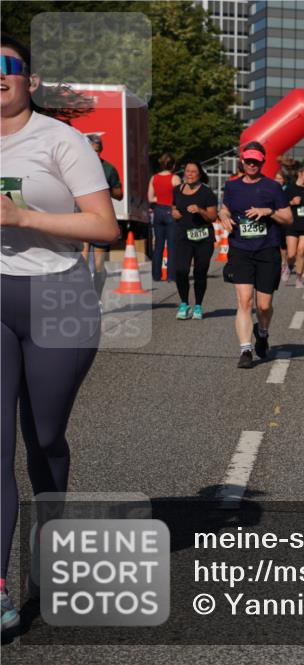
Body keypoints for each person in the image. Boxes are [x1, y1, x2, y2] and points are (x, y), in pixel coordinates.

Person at [1, 34, 120, 635]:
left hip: (58, 294)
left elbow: (106, 228)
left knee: (43, 437)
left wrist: (22, 215)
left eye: (8, 65)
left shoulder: (60, 140)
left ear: (30, 79)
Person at [217, 142, 292, 368]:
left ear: (262, 162)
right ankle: (245, 350)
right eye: (248, 161)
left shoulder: (272, 187)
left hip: (267, 250)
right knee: (245, 301)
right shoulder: (232, 186)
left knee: (264, 306)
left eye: (256, 162)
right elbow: (225, 208)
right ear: (242, 161)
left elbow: (288, 218)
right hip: (240, 249)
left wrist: (268, 211)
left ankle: (263, 332)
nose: (252, 165)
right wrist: (223, 215)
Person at [171, 161, 218, 319]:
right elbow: (174, 207)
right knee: (181, 270)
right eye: (187, 171)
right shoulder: (177, 190)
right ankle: (184, 303)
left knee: (200, 271)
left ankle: (198, 305)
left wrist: (200, 210)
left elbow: (212, 217)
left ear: (199, 174)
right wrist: (174, 213)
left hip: (203, 238)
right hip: (183, 236)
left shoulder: (207, 193)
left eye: (193, 171)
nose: (190, 174)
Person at [81, 134, 122, 302]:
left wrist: (107, 189)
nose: (94, 154)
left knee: (98, 266)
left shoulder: (108, 169)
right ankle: (84, 298)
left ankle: (97, 297)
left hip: (101, 219)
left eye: (97, 151)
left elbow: (119, 194)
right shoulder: (77, 168)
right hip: (82, 218)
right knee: (83, 262)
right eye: (91, 151)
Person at [147, 153, 180, 282]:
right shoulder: (175, 178)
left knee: (158, 245)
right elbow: (179, 198)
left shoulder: (154, 178)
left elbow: (150, 198)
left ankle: (156, 275)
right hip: (170, 211)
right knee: (172, 245)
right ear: (173, 165)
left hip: (158, 211)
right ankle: (171, 275)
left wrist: (159, 199)